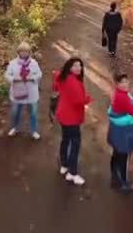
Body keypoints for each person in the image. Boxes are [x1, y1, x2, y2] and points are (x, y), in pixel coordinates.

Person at [52, 57, 91, 186]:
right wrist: (87, 99)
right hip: (71, 118)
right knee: (75, 144)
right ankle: (72, 173)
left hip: (63, 116)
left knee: (65, 139)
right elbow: (78, 102)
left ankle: (64, 165)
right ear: (69, 67)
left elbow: (56, 83)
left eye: (80, 65)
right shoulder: (74, 82)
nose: (78, 68)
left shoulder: (62, 77)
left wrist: (55, 74)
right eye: (75, 66)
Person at [107, 73, 133, 193]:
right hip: (123, 133)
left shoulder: (118, 93)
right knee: (123, 158)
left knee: (116, 154)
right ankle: (123, 183)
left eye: (126, 81)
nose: (125, 84)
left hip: (116, 131)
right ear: (117, 84)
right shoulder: (122, 97)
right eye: (122, 82)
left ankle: (115, 178)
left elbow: (129, 105)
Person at [4, 42, 42, 139]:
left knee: (33, 113)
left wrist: (32, 77)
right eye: (22, 51)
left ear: (29, 52)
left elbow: (39, 74)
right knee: (15, 112)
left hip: (31, 93)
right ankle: (14, 128)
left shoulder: (34, 63)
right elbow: (7, 75)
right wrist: (14, 79)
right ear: (18, 52)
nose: (24, 53)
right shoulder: (13, 63)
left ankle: (33, 131)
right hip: (17, 92)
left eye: (26, 51)